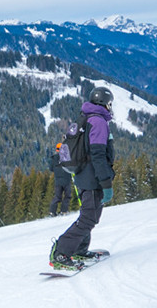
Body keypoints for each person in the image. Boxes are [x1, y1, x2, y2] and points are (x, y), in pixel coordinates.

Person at [50, 86, 115, 269]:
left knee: (89, 216)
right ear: (105, 103)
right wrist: (106, 183)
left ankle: (79, 249)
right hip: (92, 178)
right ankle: (61, 253)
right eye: (110, 103)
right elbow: (98, 155)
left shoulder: (84, 118)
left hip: (81, 175)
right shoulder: (99, 122)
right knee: (88, 218)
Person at [48, 142, 73, 216]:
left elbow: (51, 169)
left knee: (57, 196)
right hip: (67, 180)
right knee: (67, 195)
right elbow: (71, 167)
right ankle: (64, 211)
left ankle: (52, 211)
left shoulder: (53, 159)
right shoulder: (67, 157)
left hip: (58, 181)